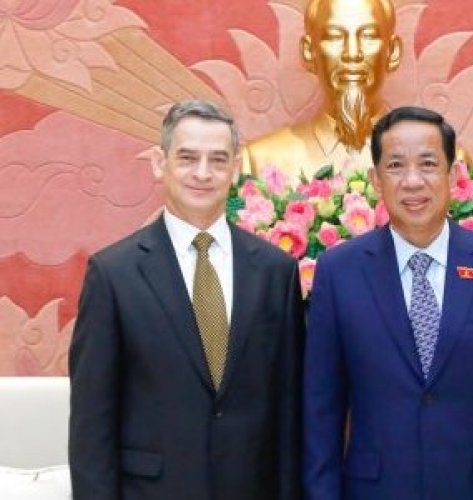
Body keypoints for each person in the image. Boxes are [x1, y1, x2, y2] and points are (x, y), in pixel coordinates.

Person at [303, 106, 473, 499]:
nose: (412, 181)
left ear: (453, 175)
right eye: (395, 166)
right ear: (375, 179)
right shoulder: (339, 271)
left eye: (428, 164)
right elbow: (321, 410)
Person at [69, 100, 304, 500]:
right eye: (187, 158)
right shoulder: (113, 275)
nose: (202, 173)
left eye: (218, 160)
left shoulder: (275, 271)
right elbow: (93, 424)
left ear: (235, 168)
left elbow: (288, 409)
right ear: (160, 163)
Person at [244, 0, 402, 180]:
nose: (352, 54)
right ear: (309, 51)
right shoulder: (261, 161)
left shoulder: (425, 158)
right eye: (334, 37)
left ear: (393, 52)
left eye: (368, 36)